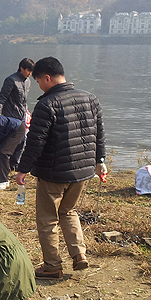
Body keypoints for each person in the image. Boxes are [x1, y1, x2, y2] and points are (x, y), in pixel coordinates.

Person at [14, 57, 106, 280]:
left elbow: (35, 142)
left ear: (47, 78)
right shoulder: (90, 99)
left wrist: (22, 169)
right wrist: (99, 161)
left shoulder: (46, 105)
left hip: (54, 173)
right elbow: (99, 134)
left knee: (47, 219)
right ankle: (79, 255)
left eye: (38, 81)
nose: (39, 86)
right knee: (68, 211)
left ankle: (52, 266)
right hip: (83, 171)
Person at [0, 58, 34, 171]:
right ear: (22, 68)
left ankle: (14, 165)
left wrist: (27, 112)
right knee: (6, 141)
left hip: (21, 116)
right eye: (28, 71)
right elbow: (2, 97)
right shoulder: (11, 80)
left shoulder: (27, 81)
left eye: (31, 72)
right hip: (10, 116)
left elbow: (24, 100)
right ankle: (0, 165)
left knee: (21, 141)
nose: (30, 74)